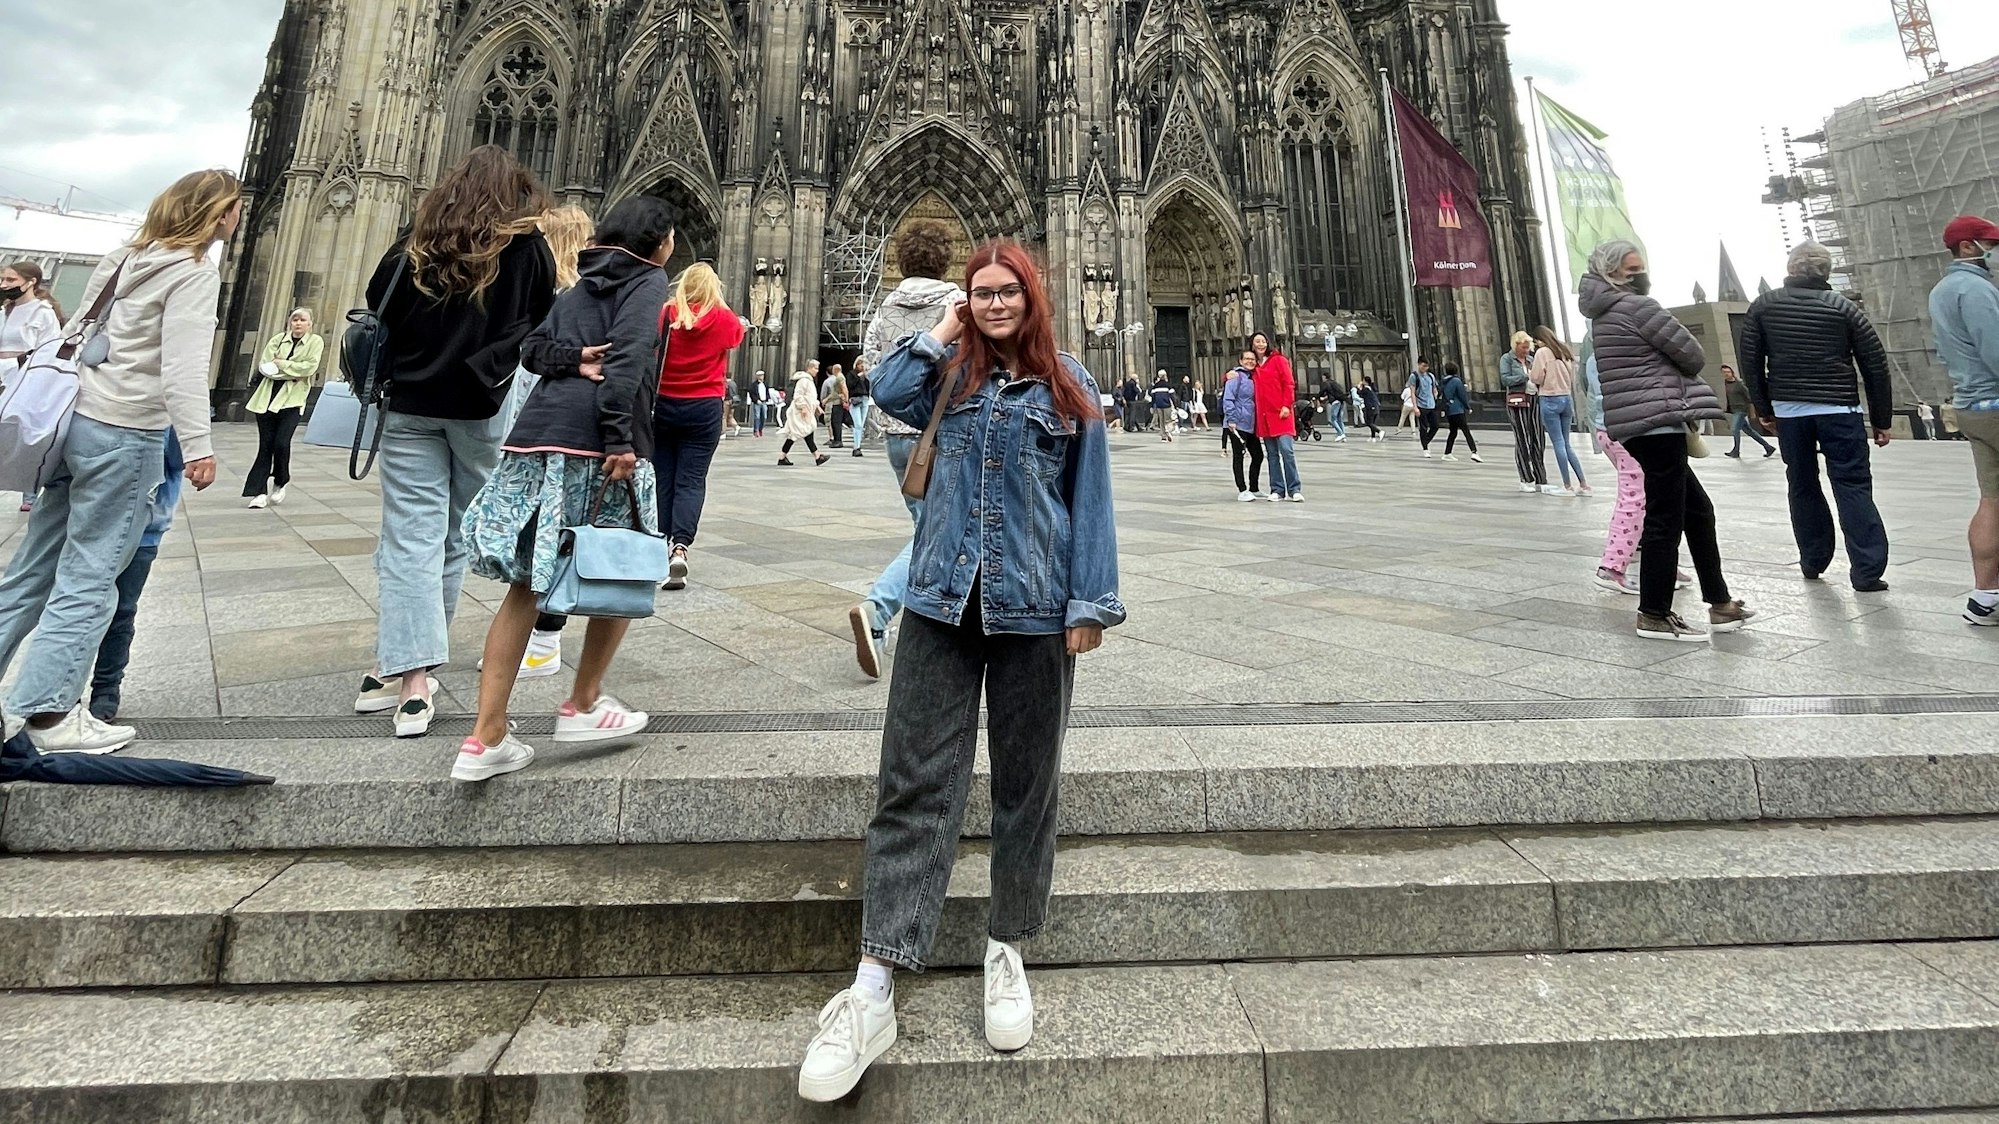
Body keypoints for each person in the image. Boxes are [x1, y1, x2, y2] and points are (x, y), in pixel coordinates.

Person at [795, 239, 1122, 1103]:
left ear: (1033, 297)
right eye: (981, 293)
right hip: (942, 602)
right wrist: (942, 327)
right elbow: (886, 390)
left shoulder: (1070, 386)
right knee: (913, 784)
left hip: (1034, 608)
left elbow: (1091, 500)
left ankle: (1005, 948)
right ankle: (873, 982)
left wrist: (1089, 604)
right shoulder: (946, 374)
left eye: (1008, 291)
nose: (994, 304)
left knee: (1027, 783)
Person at [0, 169, 232, 754]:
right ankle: (51, 716)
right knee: (90, 576)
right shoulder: (193, 273)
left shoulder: (125, 257)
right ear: (215, 215)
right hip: (126, 432)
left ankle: (41, 702)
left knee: (30, 571)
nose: (237, 218)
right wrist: (199, 446)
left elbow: (77, 332)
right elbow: (182, 368)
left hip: (74, 422)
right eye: (233, 209)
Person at [456, 195, 673, 782]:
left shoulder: (580, 286)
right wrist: (620, 440)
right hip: (594, 445)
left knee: (526, 584)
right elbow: (629, 361)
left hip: (537, 442)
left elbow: (530, 350)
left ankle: (484, 738)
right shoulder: (650, 281)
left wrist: (574, 358)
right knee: (624, 566)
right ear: (658, 245)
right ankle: (582, 702)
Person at [352, 146, 557, 738]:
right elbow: (540, 325)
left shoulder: (417, 241)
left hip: (410, 406)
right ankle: (426, 663)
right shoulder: (524, 245)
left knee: (412, 536)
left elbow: (376, 302)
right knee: (474, 528)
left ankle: (408, 676)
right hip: (479, 408)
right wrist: (486, 362)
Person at [1582, 239, 1753, 643]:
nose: (1640, 274)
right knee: (1666, 516)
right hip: (1657, 421)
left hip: (1637, 423)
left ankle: (1720, 602)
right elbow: (1692, 356)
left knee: (1697, 510)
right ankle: (1654, 612)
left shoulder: (1601, 315)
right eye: (1632, 268)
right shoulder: (1639, 308)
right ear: (1615, 274)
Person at [1738, 240, 1894, 592]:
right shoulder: (1843, 307)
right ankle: (1867, 571)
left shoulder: (1763, 306)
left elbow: (1751, 363)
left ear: (1791, 269)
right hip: (1841, 410)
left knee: (1802, 482)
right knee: (1852, 485)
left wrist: (1764, 409)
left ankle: (1812, 559)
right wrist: (1881, 419)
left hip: (1790, 412)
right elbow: (1875, 364)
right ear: (1827, 272)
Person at [849, 220, 964, 677]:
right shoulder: (957, 304)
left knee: (932, 525)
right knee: (932, 530)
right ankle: (878, 609)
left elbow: (873, 372)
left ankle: (925, 611)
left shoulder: (883, 310)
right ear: (945, 259)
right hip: (941, 434)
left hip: (896, 437)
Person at [493, 203, 593, 680]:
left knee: (532, 530)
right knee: (554, 530)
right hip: (566, 427)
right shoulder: (582, 295)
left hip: (529, 424)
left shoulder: (539, 291)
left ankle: (532, 640)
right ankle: (541, 638)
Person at [653, 260, 744, 592]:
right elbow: (738, 335)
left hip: (663, 404)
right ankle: (680, 547)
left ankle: (657, 547)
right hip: (704, 408)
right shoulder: (723, 319)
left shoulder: (665, 315)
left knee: (664, 477)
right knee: (691, 481)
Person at [1927, 215, 1999, 625]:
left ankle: (1985, 598)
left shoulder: (1941, 290)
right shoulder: (1975, 288)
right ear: (1969, 247)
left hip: (1972, 406)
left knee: (1993, 499)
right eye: (1990, 243)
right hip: (1997, 401)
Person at [88, 433, 184, 722]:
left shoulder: (170, 399)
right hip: (87, 520)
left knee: (122, 609)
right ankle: (54, 693)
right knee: (71, 607)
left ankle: (106, 687)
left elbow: (179, 457)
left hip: (145, 524)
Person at [241, 308, 323, 508]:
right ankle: (258, 492)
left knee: (281, 443)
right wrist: (292, 370)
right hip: (267, 398)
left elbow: (309, 368)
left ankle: (280, 480)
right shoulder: (277, 340)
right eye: (295, 319)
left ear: (310, 323)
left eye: (302, 320)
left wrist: (281, 364)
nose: (298, 323)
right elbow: (266, 368)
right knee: (265, 445)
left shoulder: (315, 342)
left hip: (292, 400)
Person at [1529, 327, 1589, 495]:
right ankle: (1583, 484)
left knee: (1558, 443)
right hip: (1566, 399)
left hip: (1549, 399)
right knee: (1567, 443)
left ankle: (1567, 485)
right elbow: (1572, 377)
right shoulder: (1564, 350)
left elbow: (1536, 377)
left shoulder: (1543, 352)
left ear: (1540, 339)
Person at [1253, 332, 1301, 501]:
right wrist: (1227, 376)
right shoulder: (1254, 366)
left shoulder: (1279, 360)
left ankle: (1294, 489)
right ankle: (1277, 490)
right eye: (1256, 342)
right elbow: (1239, 376)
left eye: (1263, 341)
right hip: (1264, 416)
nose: (1260, 344)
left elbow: (1289, 383)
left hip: (1281, 413)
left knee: (1287, 451)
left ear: (1268, 342)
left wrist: (1287, 405)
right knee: (1272, 454)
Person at [1499, 331, 1547, 492]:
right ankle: (1525, 478)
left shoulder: (1531, 360)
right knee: (1522, 438)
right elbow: (1505, 379)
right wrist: (1525, 377)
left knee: (1537, 437)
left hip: (1534, 399)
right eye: (1523, 347)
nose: (1526, 351)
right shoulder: (1507, 359)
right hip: (1517, 400)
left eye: (1528, 348)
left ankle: (1541, 478)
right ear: (1516, 345)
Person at [1, 261, 63, 366]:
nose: (3, 285)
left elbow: (50, 350)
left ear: (31, 282)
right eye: (2, 279)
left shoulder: (43, 312)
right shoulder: (3, 312)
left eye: (11, 280)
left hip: (23, 374)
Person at [1221, 353, 1264, 500]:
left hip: (1251, 423)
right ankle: (1242, 490)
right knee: (1238, 456)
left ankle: (1254, 487)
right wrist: (1231, 420)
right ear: (1240, 361)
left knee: (1258, 455)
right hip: (1237, 422)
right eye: (1247, 359)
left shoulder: (1255, 376)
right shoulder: (1236, 377)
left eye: (1252, 359)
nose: (1250, 361)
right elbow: (1228, 398)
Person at [1721, 365, 1776, 459]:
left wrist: (1752, 412)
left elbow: (1749, 397)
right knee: (1750, 431)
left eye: (1728, 372)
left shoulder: (1739, 384)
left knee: (1734, 429)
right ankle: (1768, 447)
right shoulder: (1725, 384)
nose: (1726, 374)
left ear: (1732, 373)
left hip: (1741, 410)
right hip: (1734, 410)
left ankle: (1736, 451)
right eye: (1724, 372)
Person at [779, 369, 829, 465]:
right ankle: (817, 456)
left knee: (800, 433)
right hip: (801, 412)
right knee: (800, 433)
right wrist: (803, 407)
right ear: (810, 368)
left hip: (806, 411)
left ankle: (783, 457)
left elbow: (811, 397)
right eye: (815, 368)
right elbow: (798, 395)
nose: (817, 371)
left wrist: (817, 407)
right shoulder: (803, 381)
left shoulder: (809, 381)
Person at [1439, 361, 1480, 463]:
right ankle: (1474, 452)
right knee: (1466, 430)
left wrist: (1444, 409)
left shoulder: (1444, 382)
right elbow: (1462, 395)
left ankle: (1447, 453)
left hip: (1449, 410)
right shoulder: (1457, 381)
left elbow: (1443, 396)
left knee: (1453, 432)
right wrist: (1468, 407)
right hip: (1457, 410)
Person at [1407, 359, 1442, 457]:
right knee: (1423, 427)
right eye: (1423, 366)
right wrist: (1415, 407)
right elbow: (1412, 392)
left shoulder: (1431, 376)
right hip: (1421, 405)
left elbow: (1434, 388)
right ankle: (1425, 448)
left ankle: (1425, 441)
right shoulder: (1414, 376)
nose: (1425, 368)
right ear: (1418, 365)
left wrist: (1435, 394)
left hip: (1431, 404)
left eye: (1426, 366)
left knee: (1435, 426)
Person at [848, 358, 874, 456]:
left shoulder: (866, 376)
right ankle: (856, 447)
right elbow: (849, 385)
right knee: (858, 424)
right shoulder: (851, 374)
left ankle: (858, 446)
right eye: (861, 365)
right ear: (857, 364)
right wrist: (858, 378)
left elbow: (869, 387)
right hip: (855, 399)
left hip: (865, 399)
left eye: (864, 365)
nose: (862, 367)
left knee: (861, 424)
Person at [824, 363, 852, 447]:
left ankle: (838, 441)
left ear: (835, 370)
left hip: (838, 402)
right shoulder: (838, 377)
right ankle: (836, 439)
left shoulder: (840, 377)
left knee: (836, 422)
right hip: (836, 401)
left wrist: (846, 400)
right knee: (834, 421)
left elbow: (844, 388)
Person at [1149, 371, 1176, 441]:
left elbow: (1153, 397)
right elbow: (1173, 396)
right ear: (1165, 376)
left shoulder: (1155, 386)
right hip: (1167, 405)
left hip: (1158, 405)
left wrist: (1152, 406)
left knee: (1161, 421)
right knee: (1168, 420)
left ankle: (1163, 436)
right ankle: (1168, 430)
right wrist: (1176, 405)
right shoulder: (1168, 385)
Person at [748, 370, 774, 436]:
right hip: (757, 402)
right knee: (757, 416)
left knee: (764, 416)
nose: (761, 377)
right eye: (759, 376)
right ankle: (756, 430)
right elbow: (752, 393)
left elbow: (767, 392)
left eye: (762, 375)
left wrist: (768, 398)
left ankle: (760, 429)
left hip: (764, 401)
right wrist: (756, 400)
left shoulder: (765, 384)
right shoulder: (754, 385)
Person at [1358, 376, 1382, 441]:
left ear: (1365, 382)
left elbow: (1359, 393)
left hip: (1370, 407)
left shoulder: (1366, 389)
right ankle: (1373, 437)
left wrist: (1359, 386)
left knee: (1368, 422)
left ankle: (1379, 431)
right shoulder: (1372, 388)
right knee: (1372, 423)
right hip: (1375, 406)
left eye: (1363, 380)